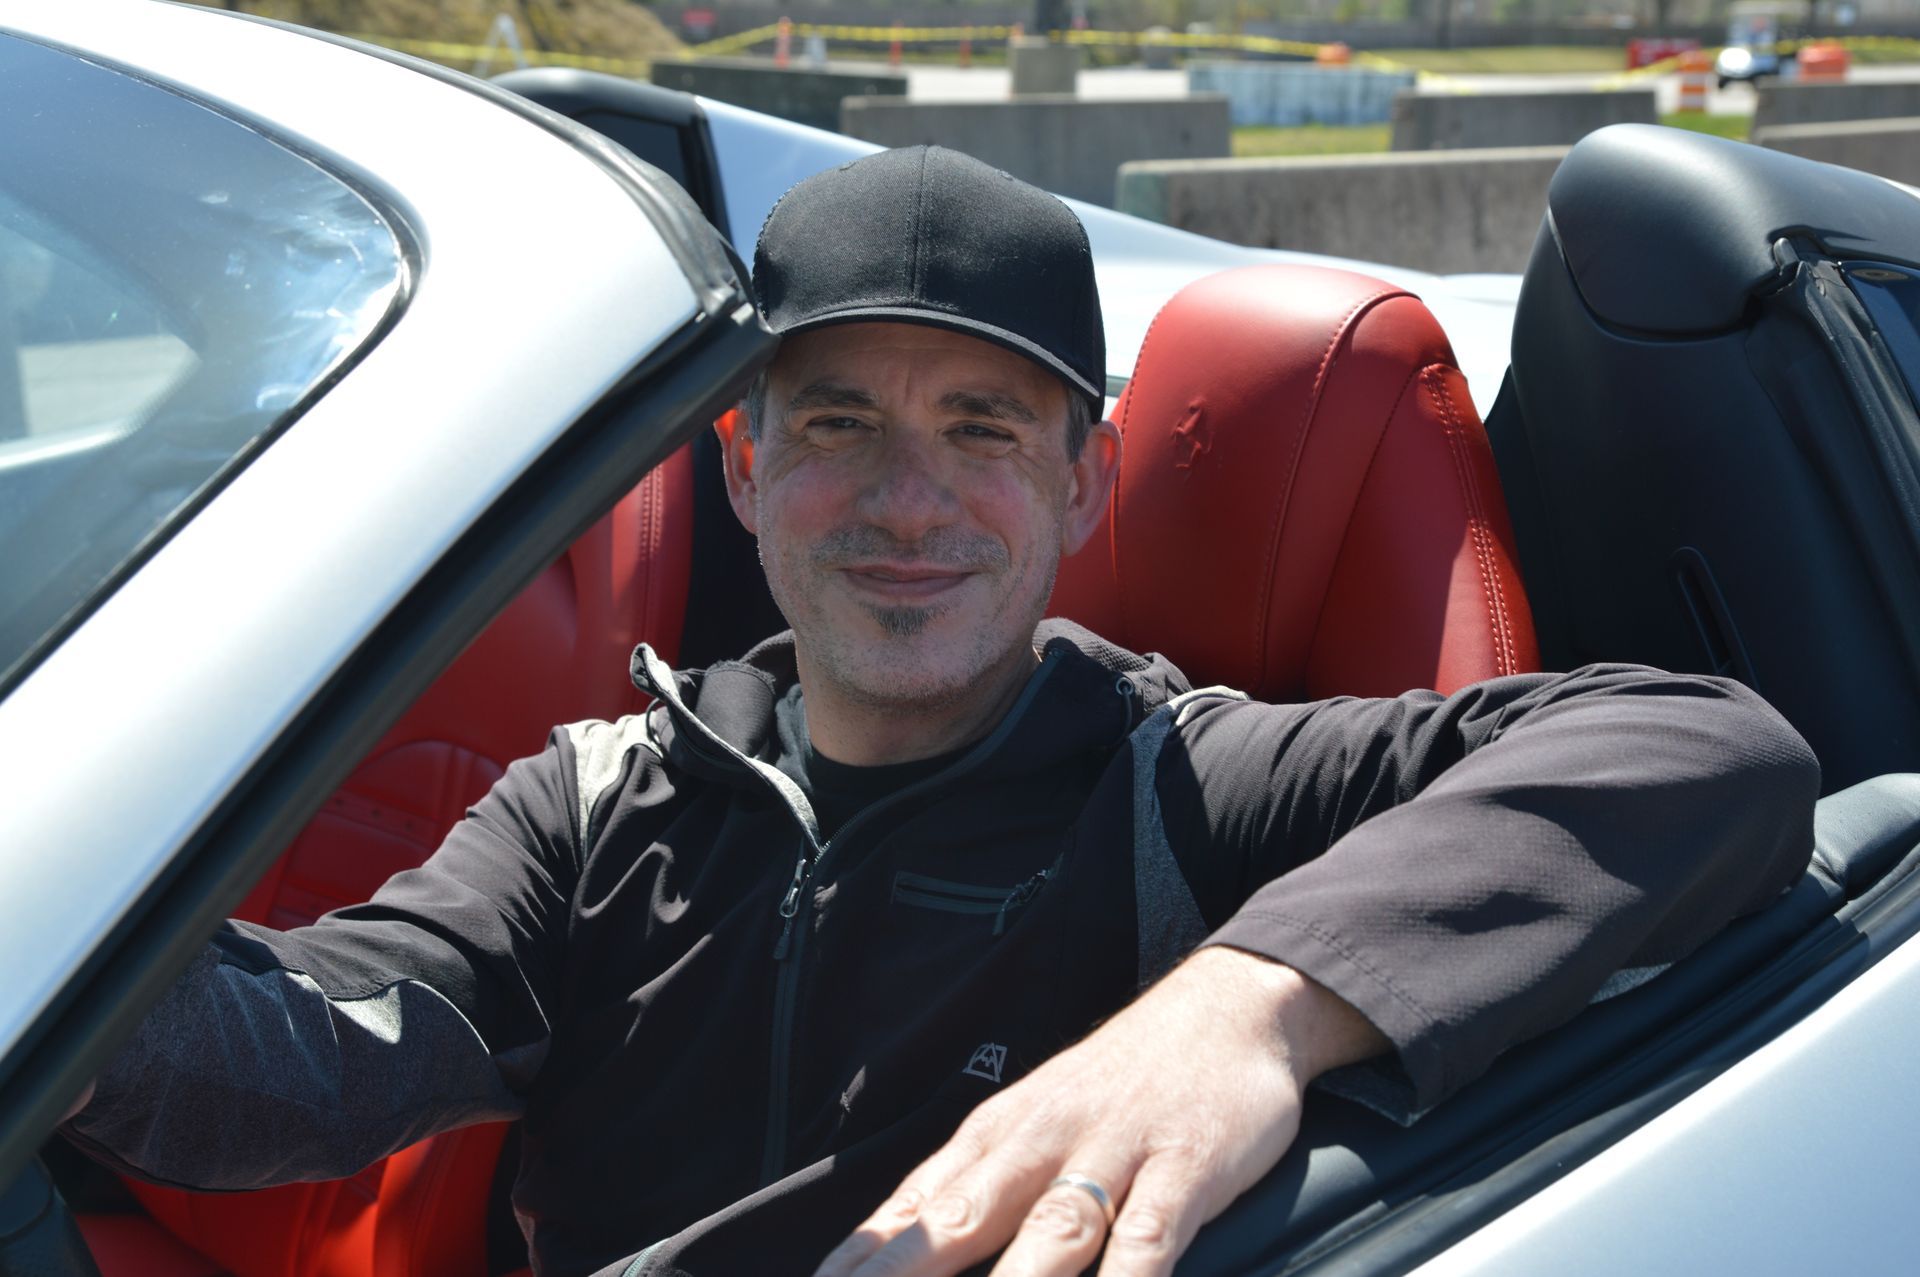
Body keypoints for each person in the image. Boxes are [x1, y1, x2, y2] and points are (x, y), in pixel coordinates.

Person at [63, 146, 1819, 1277]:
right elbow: (293, 1071)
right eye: (839, 425)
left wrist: (1238, 1012)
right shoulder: (600, 797)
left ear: (1084, 486)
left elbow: (1703, 747)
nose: (909, 504)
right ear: (745, 475)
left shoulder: (1179, 783)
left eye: (983, 428)